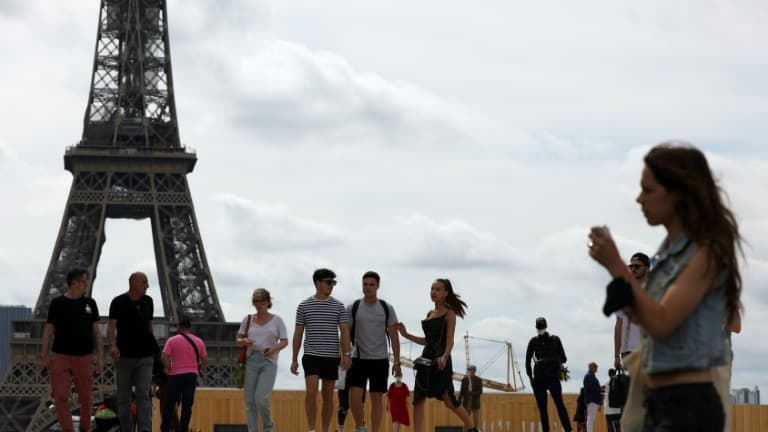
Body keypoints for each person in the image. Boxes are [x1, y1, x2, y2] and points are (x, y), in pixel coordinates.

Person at [589, 142, 743, 431]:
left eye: (648, 190)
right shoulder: (666, 256)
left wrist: (616, 266)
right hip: (663, 399)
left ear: (677, 195)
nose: (639, 199)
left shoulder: (705, 253)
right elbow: (651, 322)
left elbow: (661, 324)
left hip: (688, 407)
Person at [396, 278, 478, 432]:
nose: (433, 292)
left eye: (438, 289)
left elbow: (450, 341)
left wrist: (445, 356)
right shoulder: (429, 313)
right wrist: (406, 335)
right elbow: (427, 341)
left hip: (441, 359)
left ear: (446, 293)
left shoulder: (450, 314)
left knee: (448, 399)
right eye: (432, 289)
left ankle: (471, 428)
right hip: (425, 359)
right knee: (418, 399)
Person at [40, 268, 103, 432]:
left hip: (84, 357)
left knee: (86, 398)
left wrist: (100, 358)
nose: (86, 284)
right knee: (60, 397)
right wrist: (43, 355)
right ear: (74, 283)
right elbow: (48, 330)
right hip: (60, 356)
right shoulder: (57, 303)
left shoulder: (90, 304)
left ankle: (83, 428)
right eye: (84, 281)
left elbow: (97, 333)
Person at [290, 268, 352, 432]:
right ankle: (311, 429)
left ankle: (324, 429)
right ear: (318, 283)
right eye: (328, 282)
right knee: (311, 392)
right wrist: (294, 359)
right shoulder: (303, 306)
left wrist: (346, 354)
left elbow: (344, 331)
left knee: (328, 396)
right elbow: (298, 334)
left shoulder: (339, 306)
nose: (331, 285)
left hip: (332, 357)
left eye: (334, 283)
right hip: (311, 355)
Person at [347, 271, 401, 432]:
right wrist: (345, 355)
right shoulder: (353, 307)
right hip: (358, 358)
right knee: (354, 396)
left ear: (378, 286)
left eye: (371, 284)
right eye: (365, 284)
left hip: (380, 359)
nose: (368, 287)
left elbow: (394, 335)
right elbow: (344, 333)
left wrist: (397, 362)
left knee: (377, 398)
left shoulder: (386, 308)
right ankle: (359, 426)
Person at [107, 271, 158, 432]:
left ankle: (144, 429)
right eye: (144, 282)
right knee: (123, 399)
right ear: (134, 283)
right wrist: (112, 346)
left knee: (143, 394)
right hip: (124, 357)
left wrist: (155, 351)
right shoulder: (118, 302)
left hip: (145, 356)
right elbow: (110, 328)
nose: (148, 285)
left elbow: (150, 327)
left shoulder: (148, 301)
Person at [237, 288, 289, 432]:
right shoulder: (247, 319)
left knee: (261, 397)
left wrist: (272, 349)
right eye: (256, 301)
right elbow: (239, 340)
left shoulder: (277, 320)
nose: (259, 304)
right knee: (249, 401)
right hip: (251, 359)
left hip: (269, 361)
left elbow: (285, 341)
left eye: (262, 301)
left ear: (268, 302)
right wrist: (244, 341)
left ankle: (268, 427)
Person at [160, 315, 208, 432]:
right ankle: (183, 429)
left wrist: (169, 368)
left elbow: (163, 357)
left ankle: (165, 428)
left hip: (175, 376)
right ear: (190, 328)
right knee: (187, 405)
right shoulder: (199, 341)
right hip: (191, 376)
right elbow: (205, 360)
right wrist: (196, 369)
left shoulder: (172, 340)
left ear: (179, 327)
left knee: (170, 404)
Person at [525, 317, 572, 432]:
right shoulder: (533, 342)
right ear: (536, 328)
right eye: (538, 327)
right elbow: (527, 362)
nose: (540, 329)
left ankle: (568, 429)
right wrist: (531, 378)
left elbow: (564, 358)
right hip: (539, 380)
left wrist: (552, 359)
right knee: (542, 409)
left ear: (545, 326)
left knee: (559, 404)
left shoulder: (555, 340)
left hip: (553, 378)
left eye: (541, 327)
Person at [614, 253, 646, 370]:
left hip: (648, 350)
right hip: (627, 351)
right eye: (630, 266)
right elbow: (618, 325)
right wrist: (616, 355)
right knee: (632, 387)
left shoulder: (654, 290)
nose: (633, 269)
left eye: (637, 266)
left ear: (646, 268)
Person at [458, 365, 483, 430]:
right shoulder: (464, 380)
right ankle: (465, 430)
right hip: (466, 401)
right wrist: (458, 401)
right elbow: (461, 391)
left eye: (469, 370)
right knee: (465, 418)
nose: (468, 371)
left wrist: (472, 393)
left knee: (476, 419)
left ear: (474, 371)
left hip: (475, 401)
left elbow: (480, 391)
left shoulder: (478, 380)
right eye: (468, 370)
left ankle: (475, 429)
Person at [583, 362, 601, 432]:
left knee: (591, 418)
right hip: (592, 400)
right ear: (592, 368)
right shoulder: (589, 376)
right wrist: (599, 388)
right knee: (590, 418)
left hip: (593, 400)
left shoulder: (591, 376)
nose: (597, 369)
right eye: (596, 367)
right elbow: (589, 388)